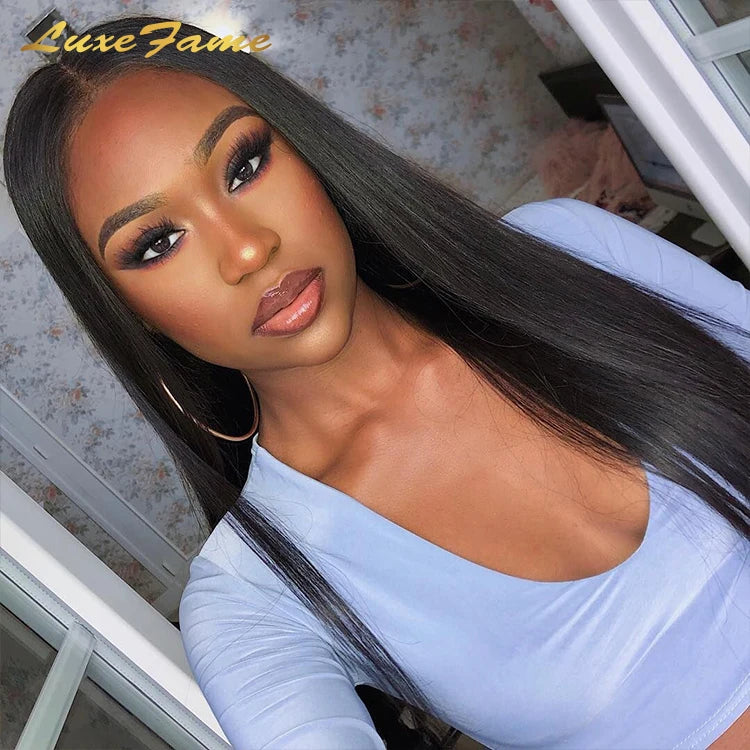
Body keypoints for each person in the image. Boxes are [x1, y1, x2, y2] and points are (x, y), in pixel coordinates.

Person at [4, 13, 748, 750]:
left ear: (306, 148)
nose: (248, 250)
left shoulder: (572, 250)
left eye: (245, 166)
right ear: (129, 312)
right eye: (158, 243)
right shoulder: (256, 597)